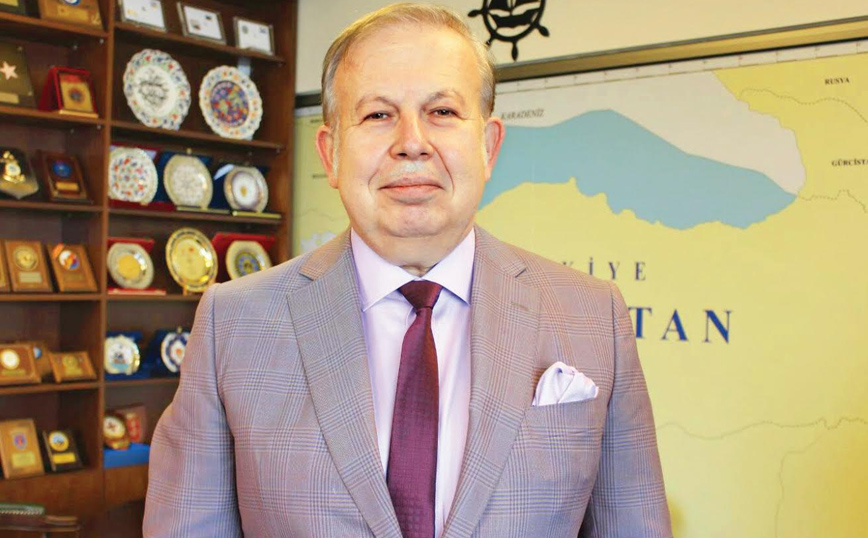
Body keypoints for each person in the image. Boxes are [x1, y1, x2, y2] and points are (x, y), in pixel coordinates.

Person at [144, 3, 672, 537]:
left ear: (489, 146)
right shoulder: (234, 324)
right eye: (378, 115)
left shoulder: (592, 317)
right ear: (330, 153)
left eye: (442, 111)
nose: (412, 142)